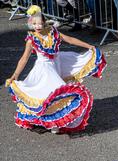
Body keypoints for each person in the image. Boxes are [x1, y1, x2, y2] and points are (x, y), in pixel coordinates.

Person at [5, 5, 107, 134]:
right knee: (51, 93)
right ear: (30, 23)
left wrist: (89, 46)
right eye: (34, 24)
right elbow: (24, 59)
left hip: (58, 63)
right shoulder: (32, 39)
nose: (37, 26)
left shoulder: (52, 31)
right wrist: (15, 75)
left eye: (40, 23)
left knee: (54, 94)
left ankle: (54, 121)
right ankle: (53, 123)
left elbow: (69, 39)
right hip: (45, 69)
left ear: (44, 22)